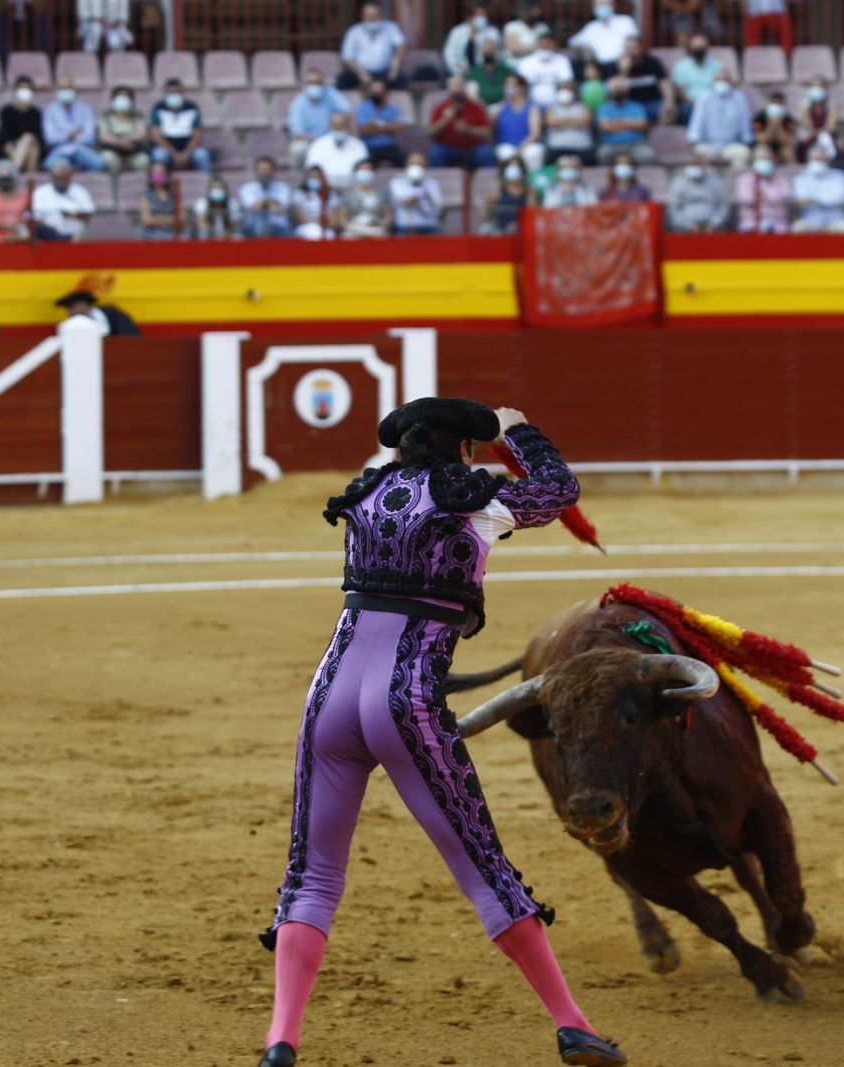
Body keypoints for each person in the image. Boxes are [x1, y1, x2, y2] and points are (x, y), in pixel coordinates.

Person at [254, 397, 622, 1067]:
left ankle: (281, 1038)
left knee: (310, 878)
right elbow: (559, 488)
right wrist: (516, 429)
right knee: (483, 869)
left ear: (400, 449)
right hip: (407, 702)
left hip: (329, 696)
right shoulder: (474, 500)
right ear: (465, 451)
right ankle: (571, 1023)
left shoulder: (366, 494)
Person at [686, 70, 752, 170]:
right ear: (714, 82)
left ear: (730, 82)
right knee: (699, 151)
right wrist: (694, 139)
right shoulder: (705, 97)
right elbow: (698, 120)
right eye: (719, 80)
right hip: (709, 144)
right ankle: (711, 184)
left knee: (743, 153)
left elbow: (744, 121)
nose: (722, 83)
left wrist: (747, 139)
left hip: (731, 145)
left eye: (725, 80)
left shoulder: (739, 97)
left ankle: (735, 182)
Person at [287, 69, 352, 170]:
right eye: (311, 83)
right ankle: (301, 175)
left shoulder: (331, 94)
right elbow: (298, 133)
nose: (314, 86)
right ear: (305, 85)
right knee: (298, 149)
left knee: (349, 142)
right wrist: (320, 142)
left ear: (323, 84)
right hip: (310, 140)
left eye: (317, 83)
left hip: (332, 137)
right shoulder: (297, 103)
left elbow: (347, 111)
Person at [338, 2, 406, 91]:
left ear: (381, 16)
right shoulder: (353, 31)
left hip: (384, 71)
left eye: (374, 15)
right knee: (343, 80)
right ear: (362, 17)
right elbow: (347, 57)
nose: (371, 18)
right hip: (360, 71)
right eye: (368, 16)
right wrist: (362, 74)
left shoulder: (391, 28)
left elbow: (401, 45)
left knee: (400, 79)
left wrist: (394, 69)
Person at [43, 76, 104, 172]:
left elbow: (90, 137)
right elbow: (50, 138)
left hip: (81, 149)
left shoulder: (85, 109)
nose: (66, 91)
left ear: (74, 90)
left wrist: (65, 136)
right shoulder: (50, 110)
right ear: (57, 91)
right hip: (59, 150)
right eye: (63, 88)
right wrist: (70, 135)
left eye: (69, 88)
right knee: (52, 165)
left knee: (99, 164)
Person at [150, 78, 211, 173]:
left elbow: (198, 133)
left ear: (182, 92)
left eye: (177, 92)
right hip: (166, 148)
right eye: (171, 92)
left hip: (188, 148)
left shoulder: (192, 107)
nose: (174, 95)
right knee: (159, 155)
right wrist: (174, 154)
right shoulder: (159, 108)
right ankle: (159, 186)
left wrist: (186, 153)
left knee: (202, 155)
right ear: (165, 93)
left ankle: (207, 184)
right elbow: (156, 134)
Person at [791, 144, 844, 233]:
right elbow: (801, 200)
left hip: (835, 221)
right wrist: (827, 197)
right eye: (815, 159)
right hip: (810, 221)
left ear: (827, 161)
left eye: (820, 160)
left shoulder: (839, 175)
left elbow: (840, 198)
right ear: (809, 160)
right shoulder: (801, 177)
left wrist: (814, 199)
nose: (817, 163)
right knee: (797, 228)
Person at [31, 158, 94, 240]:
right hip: (48, 236)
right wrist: (48, 227)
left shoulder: (80, 191)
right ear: (52, 176)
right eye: (58, 178)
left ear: (70, 177)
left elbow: (88, 213)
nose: (61, 181)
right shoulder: (40, 192)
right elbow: (35, 217)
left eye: (64, 178)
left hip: (74, 236)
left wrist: (71, 215)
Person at [492, 73, 544, 172]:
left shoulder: (532, 107)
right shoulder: (500, 107)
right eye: (507, 85)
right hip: (506, 145)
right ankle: (506, 183)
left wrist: (521, 148)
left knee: (533, 152)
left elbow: (535, 133)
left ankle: (532, 182)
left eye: (513, 85)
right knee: (505, 153)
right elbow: (490, 127)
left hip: (526, 144)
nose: (509, 87)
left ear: (522, 87)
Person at [734, 145, 791, 233]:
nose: (765, 162)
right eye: (761, 159)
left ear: (773, 161)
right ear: (754, 161)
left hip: (778, 225)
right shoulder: (745, 179)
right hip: (751, 225)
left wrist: (764, 194)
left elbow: (786, 197)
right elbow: (746, 199)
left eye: (767, 159)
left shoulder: (781, 180)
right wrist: (770, 196)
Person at [595, 77, 652, 164]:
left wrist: (616, 123)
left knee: (647, 156)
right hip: (611, 145)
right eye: (616, 90)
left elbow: (642, 125)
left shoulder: (637, 106)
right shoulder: (604, 108)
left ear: (626, 90)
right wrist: (630, 123)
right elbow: (605, 127)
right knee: (603, 155)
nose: (618, 92)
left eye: (620, 89)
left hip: (635, 144)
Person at [306, 111, 368, 189]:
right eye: (336, 125)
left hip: (352, 191)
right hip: (325, 191)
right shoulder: (317, 145)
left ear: (347, 126)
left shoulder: (359, 146)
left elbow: (365, 171)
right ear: (330, 126)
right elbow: (312, 172)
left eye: (341, 126)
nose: (338, 129)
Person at [665, 155, 728, 232]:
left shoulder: (716, 181)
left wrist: (714, 223)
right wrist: (687, 224)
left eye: (699, 165)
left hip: (712, 227)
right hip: (685, 229)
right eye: (693, 165)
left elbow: (722, 206)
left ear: (705, 167)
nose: (695, 168)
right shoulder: (679, 182)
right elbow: (674, 208)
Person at [0, 76, 45, 173]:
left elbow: (39, 138)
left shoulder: (35, 113)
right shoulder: (6, 111)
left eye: (28, 89)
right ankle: (20, 170)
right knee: (27, 139)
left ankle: (16, 170)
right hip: (11, 152)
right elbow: (6, 140)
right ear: (16, 90)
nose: (25, 91)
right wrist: (19, 156)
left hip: (32, 153)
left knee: (29, 139)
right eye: (22, 88)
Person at [569, 2, 640, 68]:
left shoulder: (625, 21)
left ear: (612, 5)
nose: (602, 7)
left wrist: (626, 54)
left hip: (623, 65)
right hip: (600, 68)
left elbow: (633, 42)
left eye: (604, 4)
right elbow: (572, 42)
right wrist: (585, 49)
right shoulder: (591, 27)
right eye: (599, 5)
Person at [516, 30, 573, 110]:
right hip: (531, 100)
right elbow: (520, 84)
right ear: (537, 44)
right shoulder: (526, 61)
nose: (545, 46)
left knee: (566, 95)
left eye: (548, 44)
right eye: (543, 44)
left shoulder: (562, 60)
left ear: (554, 45)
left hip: (556, 100)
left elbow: (567, 82)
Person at [540, 81, 594, 166]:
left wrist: (561, 121)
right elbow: (550, 122)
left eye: (568, 89)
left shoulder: (583, 106)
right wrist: (575, 121)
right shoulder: (551, 107)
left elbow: (585, 122)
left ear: (574, 92)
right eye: (562, 89)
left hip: (581, 147)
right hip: (557, 147)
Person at [355, 78, 406, 167]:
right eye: (373, 91)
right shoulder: (363, 108)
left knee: (406, 160)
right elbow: (364, 130)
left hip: (390, 146)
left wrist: (376, 125)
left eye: (379, 91)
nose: (376, 94)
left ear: (386, 93)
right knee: (364, 165)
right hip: (370, 147)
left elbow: (399, 127)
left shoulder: (392, 108)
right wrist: (388, 127)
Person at [389, 153, 443, 235]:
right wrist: (420, 194)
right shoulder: (397, 182)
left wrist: (427, 198)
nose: (417, 168)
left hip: (428, 226)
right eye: (413, 164)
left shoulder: (432, 184)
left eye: (420, 165)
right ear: (407, 165)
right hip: (405, 227)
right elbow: (401, 202)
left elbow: (437, 208)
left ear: (425, 167)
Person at [98, 87, 150, 172]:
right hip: (113, 149)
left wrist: (127, 141)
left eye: (125, 98)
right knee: (109, 159)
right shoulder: (106, 116)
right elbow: (103, 136)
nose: (122, 100)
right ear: (113, 100)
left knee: (143, 161)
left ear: (131, 100)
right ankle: (113, 185)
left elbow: (142, 134)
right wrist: (119, 142)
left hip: (133, 150)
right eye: (119, 98)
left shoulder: (138, 115)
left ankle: (141, 184)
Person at [241, 156, 293, 238]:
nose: (264, 173)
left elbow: (278, 209)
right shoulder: (247, 188)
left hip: (279, 227)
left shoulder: (283, 187)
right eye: (261, 169)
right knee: (259, 224)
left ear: (274, 171)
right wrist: (271, 202)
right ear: (255, 171)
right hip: (253, 228)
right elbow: (255, 208)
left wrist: (262, 203)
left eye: (267, 169)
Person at [444, 4, 500, 79]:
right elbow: (449, 55)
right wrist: (461, 70)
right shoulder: (457, 32)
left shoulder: (492, 32)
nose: (482, 18)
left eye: (484, 14)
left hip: (484, 75)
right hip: (459, 74)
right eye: (478, 15)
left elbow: (496, 56)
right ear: (470, 17)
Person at [670, 33, 721, 115]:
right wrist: (697, 104)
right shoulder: (681, 66)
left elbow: (722, 87)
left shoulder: (717, 65)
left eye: (702, 46)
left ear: (707, 47)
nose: (699, 49)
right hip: (690, 105)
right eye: (696, 46)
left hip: (713, 104)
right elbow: (681, 94)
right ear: (690, 48)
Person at [56, 287, 140, 336]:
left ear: (84, 304)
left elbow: (130, 336)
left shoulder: (113, 316)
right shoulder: (69, 325)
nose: (70, 311)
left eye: (72, 306)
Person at [337, 159, 387, 237]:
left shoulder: (382, 193)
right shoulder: (348, 194)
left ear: (373, 173)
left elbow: (388, 216)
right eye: (362, 170)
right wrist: (354, 228)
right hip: (354, 229)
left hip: (376, 228)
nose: (365, 172)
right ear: (356, 173)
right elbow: (342, 219)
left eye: (368, 170)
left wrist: (379, 227)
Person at [0, 160, 30, 242]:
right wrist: (11, 226)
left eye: (8, 179)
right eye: (2, 179)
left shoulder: (25, 196)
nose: (5, 182)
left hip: (20, 235)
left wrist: (19, 228)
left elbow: (29, 217)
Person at [795, 76, 839, 164]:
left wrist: (819, 132)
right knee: (805, 139)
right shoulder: (804, 105)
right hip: (811, 136)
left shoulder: (832, 105)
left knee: (826, 138)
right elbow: (808, 127)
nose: (817, 89)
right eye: (814, 86)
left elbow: (830, 127)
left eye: (820, 87)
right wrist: (816, 132)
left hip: (827, 135)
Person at [482, 158, 533, 234]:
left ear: (522, 169)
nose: (513, 169)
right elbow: (484, 207)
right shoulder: (499, 190)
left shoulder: (528, 191)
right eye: (510, 166)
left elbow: (533, 212)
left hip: (522, 232)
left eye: (517, 166)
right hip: (501, 231)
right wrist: (492, 221)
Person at [465, 38, 514, 107]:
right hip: (481, 109)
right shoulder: (473, 72)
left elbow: (511, 92)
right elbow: (472, 95)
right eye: (486, 49)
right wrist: (483, 108)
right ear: (480, 51)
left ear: (497, 51)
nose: (488, 51)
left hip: (503, 108)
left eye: (491, 48)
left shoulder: (506, 71)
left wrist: (498, 108)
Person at [192, 176, 242, 240]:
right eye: (214, 188)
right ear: (209, 190)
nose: (217, 190)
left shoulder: (233, 204)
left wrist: (224, 236)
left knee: (238, 236)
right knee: (203, 234)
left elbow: (235, 226)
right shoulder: (201, 203)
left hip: (226, 235)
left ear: (225, 190)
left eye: (220, 188)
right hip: (209, 235)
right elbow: (201, 225)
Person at [136, 163, 178, 239]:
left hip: (173, 233)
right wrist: (171, 219)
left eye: (161, 172)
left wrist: (156, 219)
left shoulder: (175, 195)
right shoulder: (145, 196)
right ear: (150, 176)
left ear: (167, 175)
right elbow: (147, 220)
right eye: (156, 173)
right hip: (151, 233)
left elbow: (181, 218)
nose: (159, 175)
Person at [291, 164, 333, 240]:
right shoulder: (299, 193)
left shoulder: (330, 194)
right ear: (307, 178)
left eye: (317, 177)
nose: (315, 179)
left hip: (326, 226)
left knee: (330, 234)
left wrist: (324, 222)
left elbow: (334, 218)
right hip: (306, 226)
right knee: (315, 233)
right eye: (312, 177)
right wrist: (317, 221)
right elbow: (300, 218)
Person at [751, 90, 796, 158]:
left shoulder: (788, 118)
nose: (776, 105)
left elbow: (787, 141)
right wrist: (771, 125)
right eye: (774, 102)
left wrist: (779, 125)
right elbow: (761, 140)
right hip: (765, 146)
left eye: (779, 103)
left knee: (788, 152)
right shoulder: (759, 117)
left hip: (781, 146)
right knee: (761, 152)